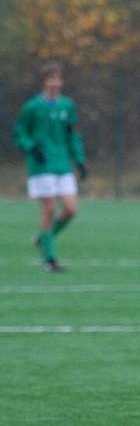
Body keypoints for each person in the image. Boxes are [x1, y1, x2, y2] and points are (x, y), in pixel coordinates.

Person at [13, 61, 87, 272]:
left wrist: (79, 160)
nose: (55, 82)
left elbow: (73, 135)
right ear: (44, 81)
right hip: (41, 166)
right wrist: (31, 147)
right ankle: (49, 259)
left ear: (61, 82)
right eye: (50, 78)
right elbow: (19, 133)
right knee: (49, 208)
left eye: (58, 78)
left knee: (71, 209)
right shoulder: (32, 107)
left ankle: (43, 239)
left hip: (62, 164)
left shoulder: (67, 105)